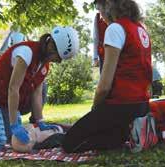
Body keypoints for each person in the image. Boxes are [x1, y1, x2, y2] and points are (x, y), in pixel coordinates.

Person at [62, 0, 152, 153]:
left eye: (100, 9)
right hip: (142, 105)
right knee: (107, 132)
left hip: (121, 104)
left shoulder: (115, 28)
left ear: (109, 5)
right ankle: (128, 132)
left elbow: (104, 87)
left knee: (69, 143)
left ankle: (125, 133)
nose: (101, 16)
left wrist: (95, 109)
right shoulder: (140, 29)